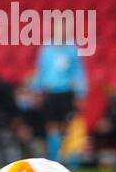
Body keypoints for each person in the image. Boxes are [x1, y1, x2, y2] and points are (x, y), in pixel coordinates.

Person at [32, 16, 88, 163]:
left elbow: (78, 72)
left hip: (66, 91)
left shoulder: (72, 49)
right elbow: (41, 70)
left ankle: (67, 156)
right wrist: (37, 89)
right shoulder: (47, 49)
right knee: (51, 125)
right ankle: (54, 156)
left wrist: (81, 92)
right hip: (51, 91)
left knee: (66, 125)